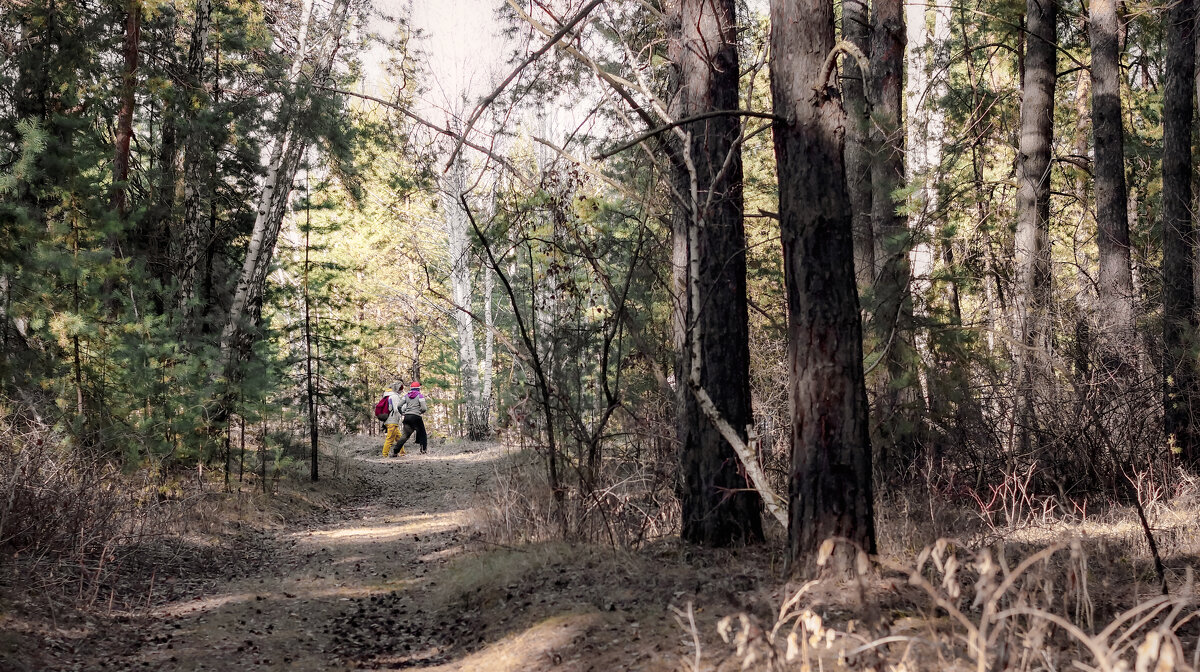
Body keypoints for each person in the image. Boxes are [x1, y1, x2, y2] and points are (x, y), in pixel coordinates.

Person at [389, 381, 429, 456]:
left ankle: (395, 452)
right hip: (416, 417)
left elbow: (399, 406)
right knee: (422, 434)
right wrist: (419, 412)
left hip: (407, 417)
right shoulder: (420, 396)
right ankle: (423, 451)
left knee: (405, 436)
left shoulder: (406, 395)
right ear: (418, 389)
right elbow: (424, 408)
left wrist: (402, 413)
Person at [381, 383, 406, 457]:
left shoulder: (388, 395)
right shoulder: (394, 397)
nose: (402, 391)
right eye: (401, 389)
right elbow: (396, 409)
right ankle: (384, 455)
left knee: (399, 438)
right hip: (392, 420)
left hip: (391, 420)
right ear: (398, 389)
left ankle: (402, 453)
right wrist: (403, 411)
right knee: (390, 439)